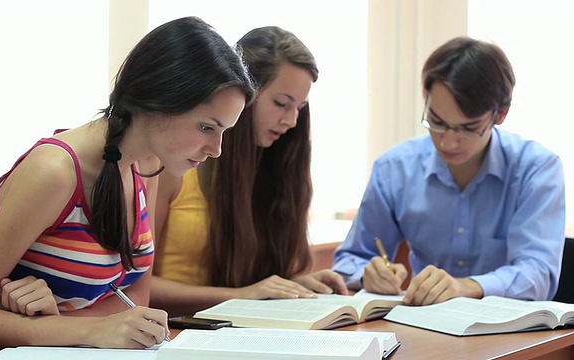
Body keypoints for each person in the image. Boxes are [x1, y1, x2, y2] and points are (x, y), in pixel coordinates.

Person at [0, 16, 254, 357]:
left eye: (225, 131)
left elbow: (135, 302)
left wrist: (62, 321)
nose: (217, 149)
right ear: (157, 101)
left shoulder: (149, 164)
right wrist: (85, 326)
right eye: (207, 127)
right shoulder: (54, 172)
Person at [332, 36, 565, 306]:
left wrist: (465, 286)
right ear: (426, 101)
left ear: (500, 114)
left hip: (507, 332)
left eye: (467, 128)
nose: (447, 142)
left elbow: (538, 274)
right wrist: (367, 275)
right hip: (425, 326)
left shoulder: (536, 169)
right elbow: (351, 258)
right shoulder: (395, 168)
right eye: (436, 122)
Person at [149, 26, 347, 317]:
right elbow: (135, 287)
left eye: (300, 108)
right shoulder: (175, 166)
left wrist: (295, 284)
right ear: (243, 93)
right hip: (178, 334)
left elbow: (261, 282)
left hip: (250, 331)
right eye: (281, 103)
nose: (292, 120)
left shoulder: (279, 169)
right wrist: (241, 296)